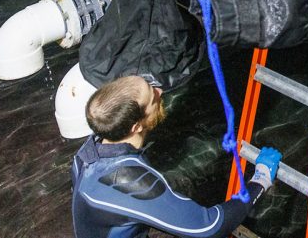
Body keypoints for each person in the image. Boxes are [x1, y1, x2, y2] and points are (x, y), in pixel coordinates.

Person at [71, 75, 281, 238]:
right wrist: (260, 180)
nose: (159, 91)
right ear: (136, 126)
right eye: (153, 96)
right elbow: (210, 227)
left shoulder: (87, 154)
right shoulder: (129, 181)